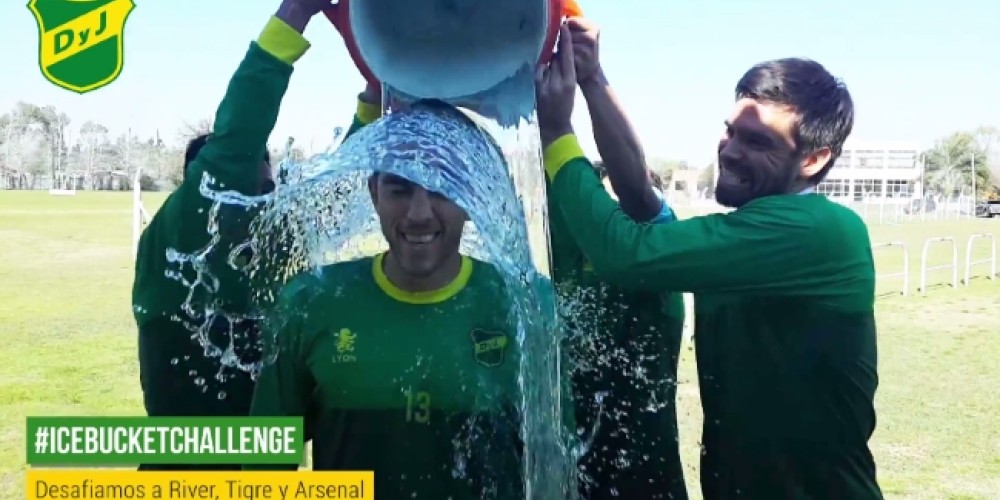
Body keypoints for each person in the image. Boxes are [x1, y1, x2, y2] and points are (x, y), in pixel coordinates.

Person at [536, 24, 883, 500]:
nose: (730, 151)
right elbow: (639, 197)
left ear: (813, 159)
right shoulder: (745, 232)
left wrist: (556, 133)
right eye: (730, 131)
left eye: (757, 142)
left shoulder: (819, 231)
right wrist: (593, 80)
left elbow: (624, 254)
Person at [248, 100, 541, 499]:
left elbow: (552, 465)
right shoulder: (311, 300)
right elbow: (265, 466)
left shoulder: (524, 304)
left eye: (442, 187)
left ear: (472, 193)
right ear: (374, 194)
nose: (419, 214)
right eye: (400, 189)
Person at [131, 0, 335, 470]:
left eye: (268, 191)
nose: (266, 202)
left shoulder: (267, 246)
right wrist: (295, 14)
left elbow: (338, 193)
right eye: (251, 191)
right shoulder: (178, 242)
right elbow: (241, 132)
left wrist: (371, 101)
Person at [548, 17, 687, 500]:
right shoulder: (564, 245)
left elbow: (637, 192)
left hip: (646, 486)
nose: (601, 214)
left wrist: (591, 80)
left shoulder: (656, 252)